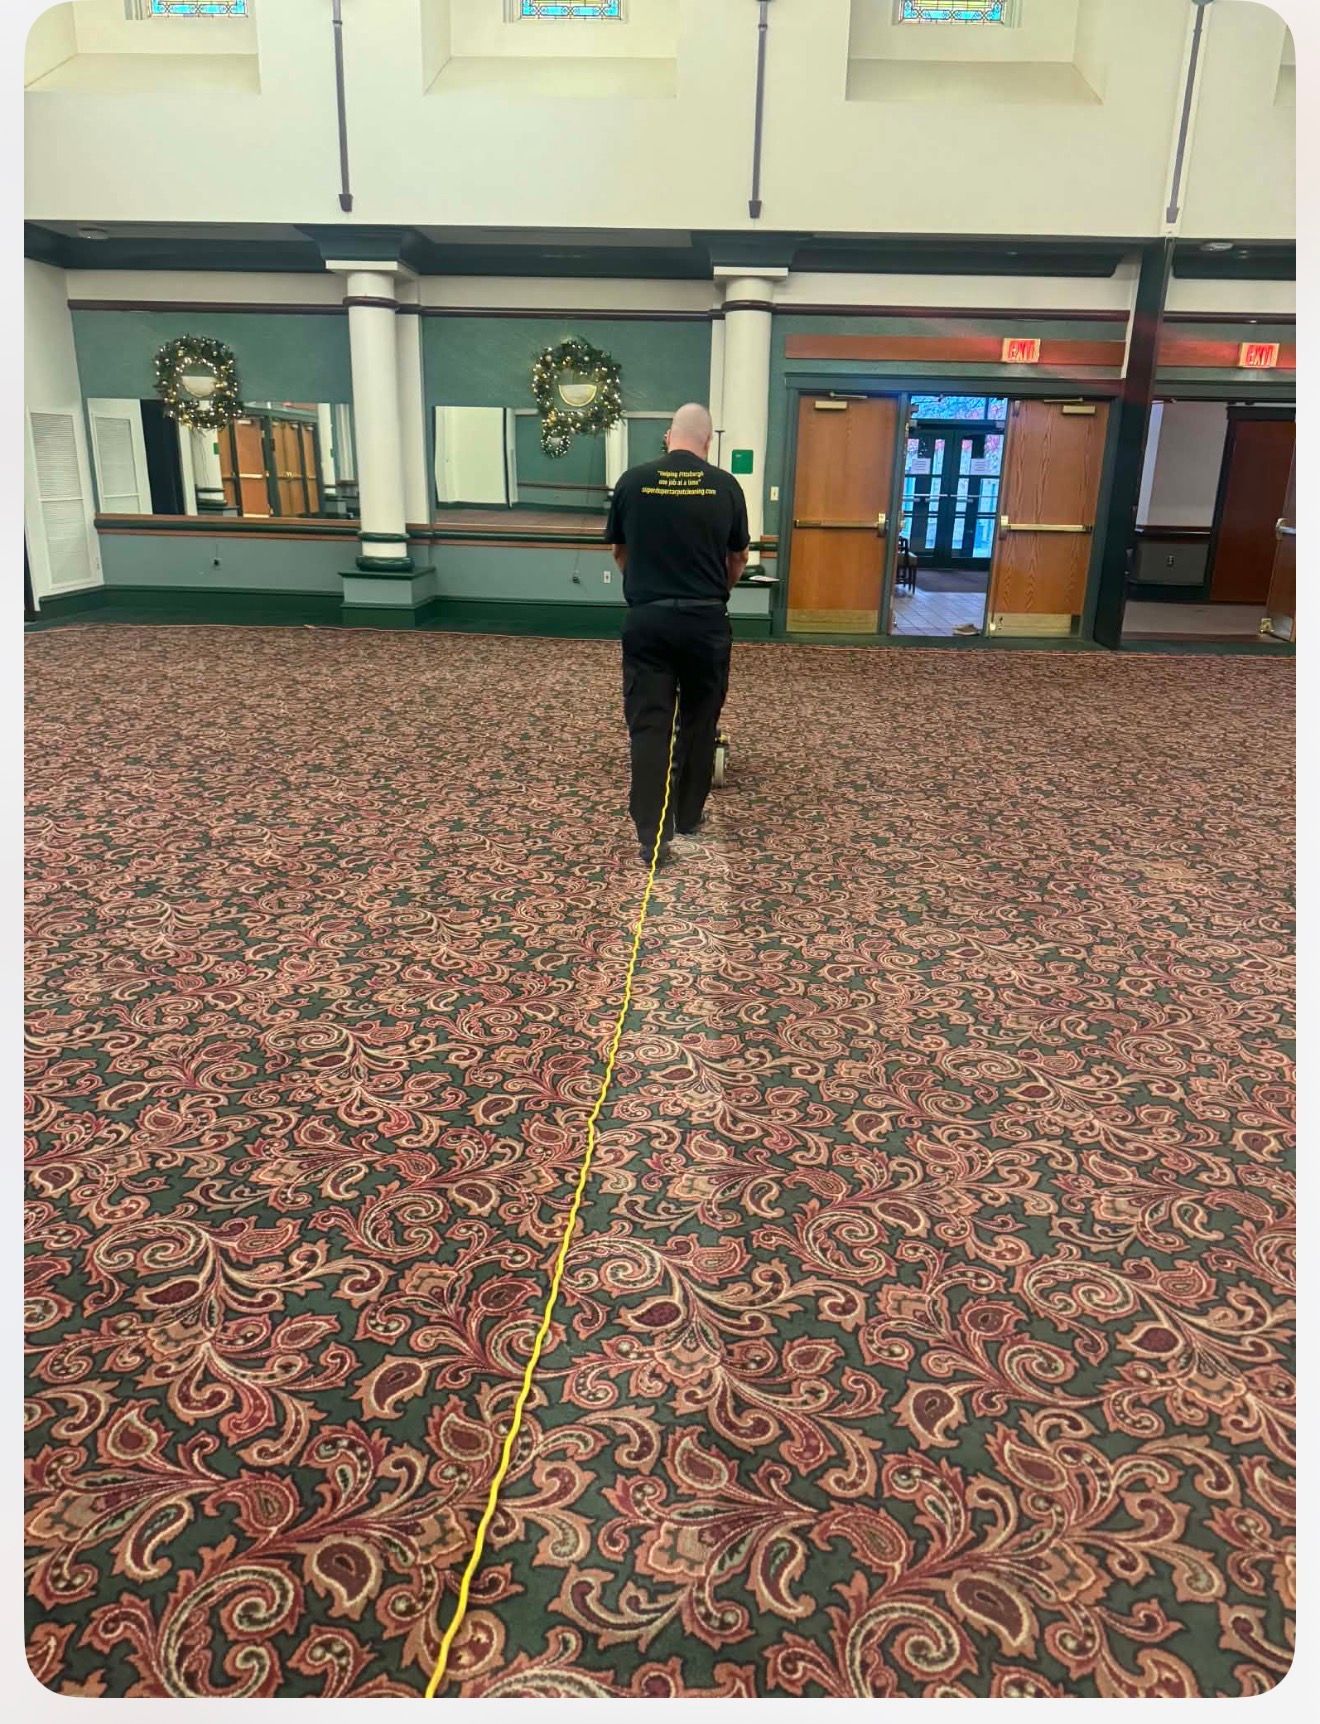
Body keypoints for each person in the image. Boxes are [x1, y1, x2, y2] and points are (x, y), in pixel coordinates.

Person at [605, 403, 750, 865]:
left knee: (649, 724)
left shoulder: (632, 481)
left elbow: (620, 551)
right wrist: (715, 592)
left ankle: (652, 835)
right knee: (700, 720)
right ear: (708, 441)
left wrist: (646, 588)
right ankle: (687, 815)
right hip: (706, 621)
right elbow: (738, 558)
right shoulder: (726, 486)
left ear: (669, 436)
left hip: (647, 620)